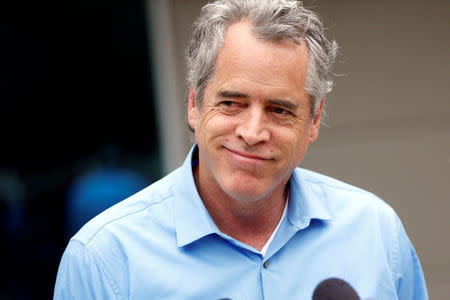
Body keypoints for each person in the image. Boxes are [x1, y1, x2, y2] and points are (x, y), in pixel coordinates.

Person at [54, 0, 428, 299]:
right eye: (231, 103)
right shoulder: (102, 260)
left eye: (280, 110)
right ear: (194, 105)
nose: (252, 132)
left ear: (314, 120)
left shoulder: (376, 234)